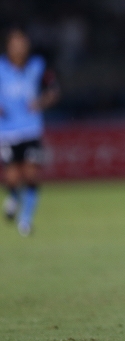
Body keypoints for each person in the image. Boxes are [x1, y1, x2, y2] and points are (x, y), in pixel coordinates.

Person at [0, 28, 60, 236]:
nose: (19, 48)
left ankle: (25, 220)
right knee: (13, 176)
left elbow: (54, 89)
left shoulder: (38, 66)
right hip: (7, 131)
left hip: (31, 129)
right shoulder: (1, 68)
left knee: (31, 173)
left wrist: (42, 102)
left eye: (22, 44)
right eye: (15, 44)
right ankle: (14, 196)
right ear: (8, 47)